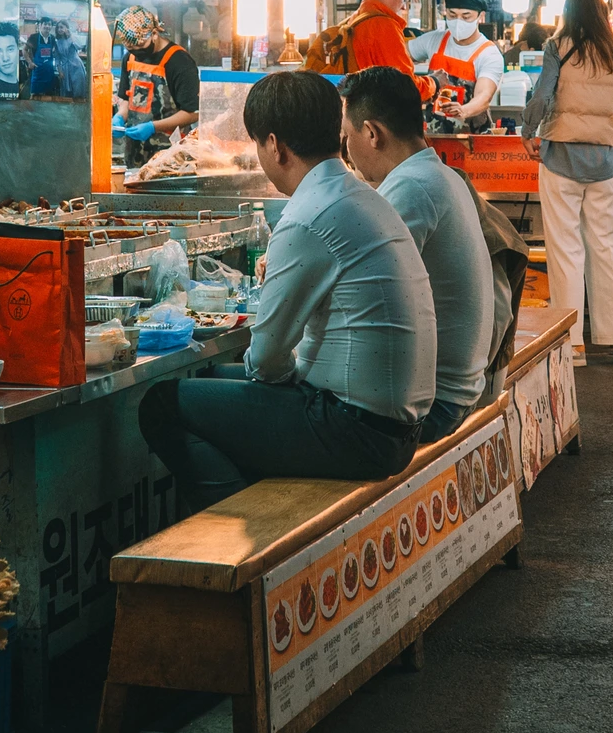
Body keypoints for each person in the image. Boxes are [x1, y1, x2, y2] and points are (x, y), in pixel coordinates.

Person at [138, 70, 434, 511]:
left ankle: (238, 524)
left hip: (358, 432)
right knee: (210, 382)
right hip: (396, 422)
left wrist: (273, 378)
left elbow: (267, 358)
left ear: (274, 145)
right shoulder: (358, 194)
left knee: (160, 404)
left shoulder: (307, 216)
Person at [341, 64, 495, 442]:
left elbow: (361, 287)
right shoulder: (436, 174)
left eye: (347, 136)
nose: (346, 150)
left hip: (435, 404)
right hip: (457, 388)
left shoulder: (411, 188)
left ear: (371, 133)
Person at [521, 0, 613, 366]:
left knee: (565, 251)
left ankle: (572, 345)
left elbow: (542, 95)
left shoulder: (558, 47)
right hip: (604, 163)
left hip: (561, 159)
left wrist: (528, 130)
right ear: (604, 13)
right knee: (608, 250)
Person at [409, 0, 505, 129]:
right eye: (452, 15)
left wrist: (464, 110)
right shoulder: (433, 40)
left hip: (473, 139)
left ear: (481, 16)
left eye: (466, 17)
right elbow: (399, 57)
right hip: (433, 136)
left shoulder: (489, 54)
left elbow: (484, 96)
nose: (458, 22)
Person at [307, 0, 419, 79]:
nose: (404, 6)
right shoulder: (384, 26)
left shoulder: (354, 19)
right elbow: (407, 85)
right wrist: (434, 82)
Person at [114, 6, 199, 168]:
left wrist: (153, 127)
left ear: (154, 34)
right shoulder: (129, 58)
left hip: (171, 155)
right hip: (135, 152)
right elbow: (126, 98)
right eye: (131, 48)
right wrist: (120, 117)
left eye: (140, 46)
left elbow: (192, 113)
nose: (137, 52)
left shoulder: (179, 62)